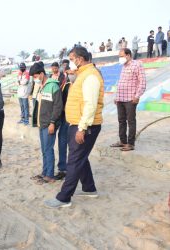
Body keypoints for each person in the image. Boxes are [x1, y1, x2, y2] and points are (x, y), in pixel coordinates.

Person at [44, 47, 104, 208]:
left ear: (80, 58)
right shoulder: (83, 74)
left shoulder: (91, 76)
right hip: (76, 123)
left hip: (84, 125)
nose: (72, 62)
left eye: (73, 58)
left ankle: (64, 197)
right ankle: (89, 188)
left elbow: (90, 105)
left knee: (74, 161)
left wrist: (82, 128)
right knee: (79, 158)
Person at [30, 63, 63, 184]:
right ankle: (44, 173)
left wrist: (52, 122)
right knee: (44, 150)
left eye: (35, 76)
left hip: (49, 124)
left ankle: (50, 175)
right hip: (41, 123)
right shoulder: (41, 86)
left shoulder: (53, 86)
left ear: (42, 74)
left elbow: (58, 106)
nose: (35, 78)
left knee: (48, 149)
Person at [111, 48, 146, 151]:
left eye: (121, 56)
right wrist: (117, 97)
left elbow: (142, 82)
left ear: (128, 55)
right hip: (120, 99)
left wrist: (137, 96)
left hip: (131, 99)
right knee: (121, 121)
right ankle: (123, 141)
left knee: (131, 121)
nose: (120, 58)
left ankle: (130, 144)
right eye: (119, 56)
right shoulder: (123, 66)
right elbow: (121, 83)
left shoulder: (137, 64)